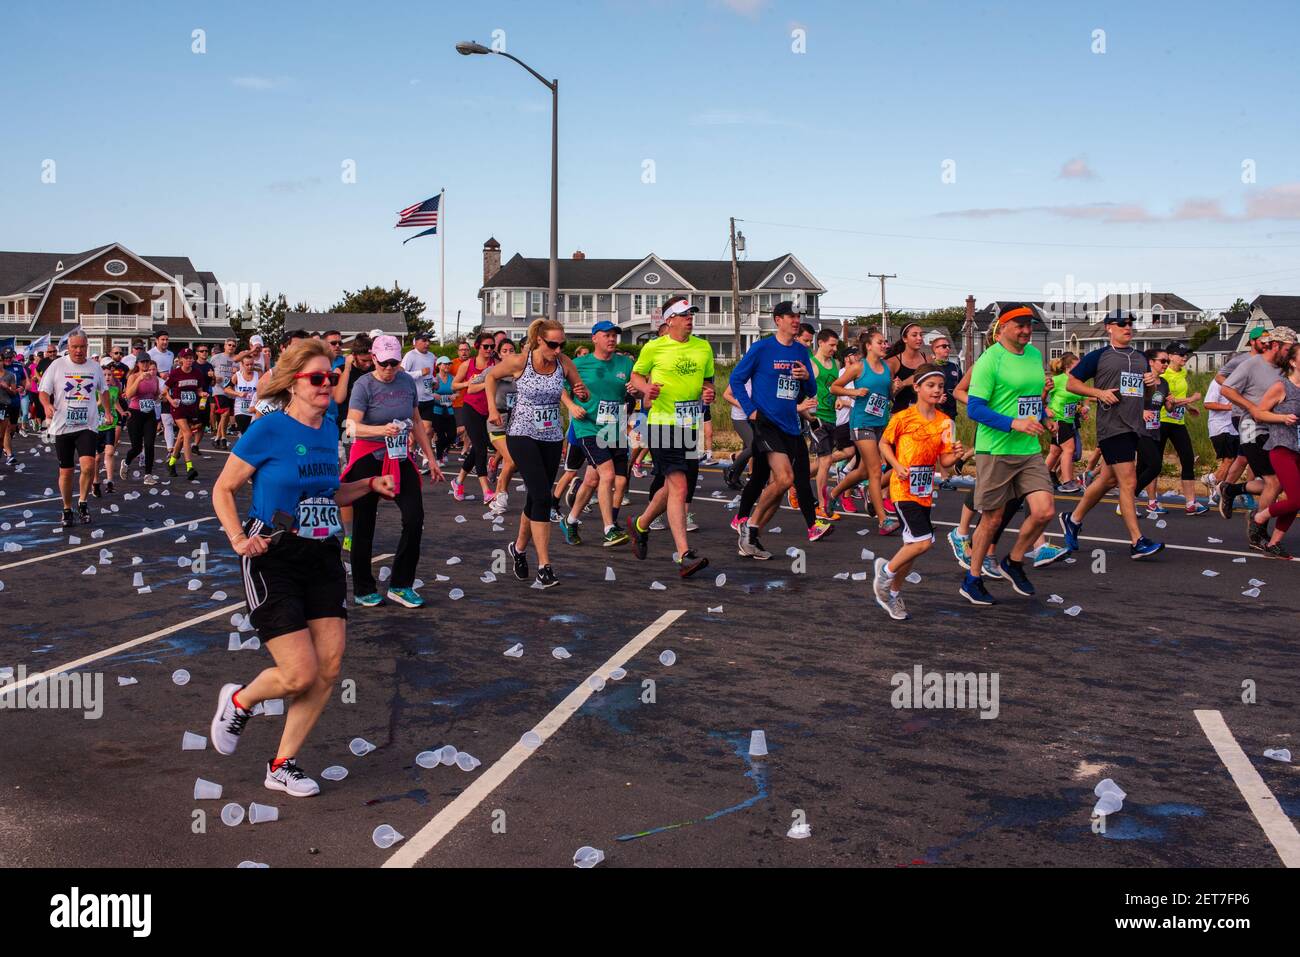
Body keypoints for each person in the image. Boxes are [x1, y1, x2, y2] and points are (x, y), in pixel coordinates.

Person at [209, 338, 396, 798]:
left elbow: (328, 495)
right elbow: (223, 489)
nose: (326, 385)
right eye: (317, 379)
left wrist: (369, 483)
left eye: (330, 378)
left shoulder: (329, 424)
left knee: (329, 668)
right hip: (273, 555)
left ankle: (282, 763)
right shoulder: (268, 429)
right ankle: (240, 699)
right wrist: (237, 538)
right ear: (293, 384)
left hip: (323, 554)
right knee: (298, 674)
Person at [958, 304, 1058, 606]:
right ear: (1002, 328)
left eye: (1029, 325)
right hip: (996, 449)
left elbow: (1027, 397)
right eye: (1019, 325)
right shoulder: (990, 360)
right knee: (992, 518)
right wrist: (1014, 423)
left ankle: (1014, 561)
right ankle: (972, 579)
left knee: (1044, 511)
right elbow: (974, 407)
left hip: (1028, 449)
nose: (1026, 330)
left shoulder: (1034, 356)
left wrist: (1043, 413)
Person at [485, 318, 589, 588]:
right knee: (543, 495)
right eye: (553, 344)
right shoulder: (521, 362)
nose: (558, 349)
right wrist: (493, 410)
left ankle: (518, 549)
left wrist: (582, 393)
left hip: (552, 435)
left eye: (562, 344)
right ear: (539, 341)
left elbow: (581, 392)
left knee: (535, 497)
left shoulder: (564, 363)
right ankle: (545, 565)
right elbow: (491, 377)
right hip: (521, 434)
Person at [343, 335, 444, 608]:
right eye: (383, 362)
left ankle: (401, 585)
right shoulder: (364, 384)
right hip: (367, 455)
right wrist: (380, 430)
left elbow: (416, 421)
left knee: (414, 518)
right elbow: (351, 426)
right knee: (365, 523)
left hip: (398, 455)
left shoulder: (406, 382)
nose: (388, 368)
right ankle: (363, 588)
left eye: (394, 363)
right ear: (373, 359)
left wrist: (431, 458)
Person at [729, 301, 834, 558]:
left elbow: (810, 391)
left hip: (791, 424)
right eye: (790, 315)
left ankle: (751, 535)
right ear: (778, 320)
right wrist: (750, 409)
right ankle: (748, 526)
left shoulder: (800, 351)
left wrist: (806, 379)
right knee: (785, 479)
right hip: (767, 422)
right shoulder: (762, 347)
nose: (795, 319)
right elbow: (736, 379)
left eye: (798, 316)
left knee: (779, 484)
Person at [1058, 310, 1165, 562]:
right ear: (1109, 328)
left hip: (1135, 427)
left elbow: (1145, 397)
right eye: (1121, 324)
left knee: (1107, 480)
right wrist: (1099, 393)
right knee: (1127, 481)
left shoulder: (1140, 358)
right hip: (1112, 427)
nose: (1127, 327)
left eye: (1130, 324)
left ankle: (1072, 519)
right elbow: (1071, 384)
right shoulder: (1099, 356)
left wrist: (1151, 384)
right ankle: (1137, 541)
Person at [624, 298, 715, 575]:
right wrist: (647, 388)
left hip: (689, 424)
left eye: (691, 314)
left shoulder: (703, 347)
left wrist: (708, 392)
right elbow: (636, 376)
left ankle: (640, 525)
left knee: (671, 487)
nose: (689, 318)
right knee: (679, 488)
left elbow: (708, 382)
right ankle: (683, 555)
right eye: (683, 314)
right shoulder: (654, 347)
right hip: (662, 424)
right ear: (669, 320)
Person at [872, 365, 964, 620]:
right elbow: (883, 443)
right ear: (917, 388)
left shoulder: (946, 422)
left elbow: (943, 462)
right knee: (924, 541)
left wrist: (956, 455)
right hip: (902, 489)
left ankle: (892, 593)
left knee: (911, 545)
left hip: (923, 489)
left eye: (940, 386)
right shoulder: (902, 418)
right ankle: (885, 575)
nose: (936, 390)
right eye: (930, 385)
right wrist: (897, 465)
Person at [559, 320, 635, 547]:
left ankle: (570, 520)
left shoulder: (625, 363)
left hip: (615, 427)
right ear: (594, 338)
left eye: (614, 335)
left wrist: (636, 390)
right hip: (589, 427)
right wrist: (571, 407)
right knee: (607, 475)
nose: (612, 339)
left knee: (595, 478)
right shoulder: (579, 363)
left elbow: (638, 390)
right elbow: (559, 387)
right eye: (607, 335)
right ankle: (609, 529)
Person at [1219, 326, 1294, 551]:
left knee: (1279, 483)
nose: (1290, 355)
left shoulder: (1283, 370)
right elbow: (1227, 389)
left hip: (1274, 430)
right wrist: (1252, 407)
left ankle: (1231, 489)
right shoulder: (1252, 364)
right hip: (1252, 428)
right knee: (1274, 482)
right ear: (1275, 345)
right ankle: (1257, 532)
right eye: (1288, 350)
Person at [38, 332, 113, 527]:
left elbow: (103, 390)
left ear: (87, 347)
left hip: (87, 425)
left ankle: (83, 502)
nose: (79, 351)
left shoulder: (94, 367)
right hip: (63, 426)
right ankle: (66, 507)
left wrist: (107, 411)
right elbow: (43, 391)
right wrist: (46, 405)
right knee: (66, 472)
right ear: (68, 348)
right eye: (75, 347)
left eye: (82, 347)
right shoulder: (57, 365)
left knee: (88, 466)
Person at [827, 329, 898, 534]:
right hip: (861, 423)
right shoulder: (859, 367)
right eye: (880, 342)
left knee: (864, 471)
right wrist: (853, 392)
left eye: (885, 342)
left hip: (880, 423)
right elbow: (834, 388)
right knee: (875, 470)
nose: (885, 345)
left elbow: (887, 395)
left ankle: (835, 493)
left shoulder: (887, 368)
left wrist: (895, 388)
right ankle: (883, 521)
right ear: (868, 346)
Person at [1245, 340, 1300, 558]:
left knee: (1295, 500)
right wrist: (1282, 417)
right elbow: (1259, 413)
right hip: (1282, 448)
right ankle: (1260, 517)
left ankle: (1273, 544)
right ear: (1294, 362)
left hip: (1299, 450)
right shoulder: (1281, 386)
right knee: (1297, 498)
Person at [1150, 343, 1207, 516]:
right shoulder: (1163, 374)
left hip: (1177, 421)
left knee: (1188, 458)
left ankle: (1190, 502)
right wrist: (1192, 399)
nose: (1184, 358)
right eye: (1181, 355)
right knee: (1155, 463)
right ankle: (1152, 501)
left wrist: (1189, 408)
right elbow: (1168, 400)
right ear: (1170, 356)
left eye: (1186, 355)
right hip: (1161, 420)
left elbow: (1177, 398)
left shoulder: (1182, 372)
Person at [451, 333, 497, 503]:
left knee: (479, 448)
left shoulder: (496, 364)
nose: (490, 349)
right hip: (471, 408)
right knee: (480, 448)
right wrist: (467, 384)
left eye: (492, 346)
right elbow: (454, 384)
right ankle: (486, 490)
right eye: (486, 346)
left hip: (489, 410)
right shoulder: (467, 364)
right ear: (478, 347)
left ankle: (458, 481)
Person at [1044, 353, 1084, 493]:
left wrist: (1084, 408)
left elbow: (1083, 397)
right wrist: (1045, 409)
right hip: (1059, 419)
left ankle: (1039, 479)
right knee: (1069, 449)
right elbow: (1041, 394)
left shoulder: (1077, 381)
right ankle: (1067, 482)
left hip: (1070, 420)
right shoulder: (1058, 380)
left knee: (1055, 452)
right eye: (1077, 365)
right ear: (1068, 367)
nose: (1081, 367)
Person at [163, 348, 202, 482]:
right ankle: (189, 467)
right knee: (187, 434)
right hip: (178, 408)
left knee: (180, 438)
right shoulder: (175, 373)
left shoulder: (197, 373)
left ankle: (171, 463)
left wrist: (202, 394)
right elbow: (165, 390)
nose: (189, 360)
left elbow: (199, 390)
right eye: (186, 358)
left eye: (191, 358)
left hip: (191, 408)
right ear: (181, 360)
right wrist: (170, 400)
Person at [122, 357, 162, 483]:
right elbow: (128, 395)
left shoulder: (154, 378)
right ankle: (126, 462)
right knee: (137, 448)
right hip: (135, 414)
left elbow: (155, 395)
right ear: (138, 364)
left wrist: (159, 398)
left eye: (147, 362)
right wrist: (139, 379)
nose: (145, 364)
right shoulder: (133, 377)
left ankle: (148, 475)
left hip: (149, 414)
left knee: (150, 444)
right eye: (142, 362)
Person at [886, 322, 927, 410]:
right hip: (901, 415)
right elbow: (887, 396)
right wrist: (900, 385)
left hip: (923, 415)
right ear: (905, 339)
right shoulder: (893, 362)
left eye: (921, 335)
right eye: (914, 335)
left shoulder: (928, 359)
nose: (919, 338)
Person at [427, 356, 458, 464]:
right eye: (445, 364)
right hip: (437, 410)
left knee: (452, 435)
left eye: (449, 364)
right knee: (440, 434)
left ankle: (443, 449)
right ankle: (439, 457)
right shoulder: (434, 379)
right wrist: (433, 394)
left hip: (449, 410)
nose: (448, 366)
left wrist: (455, 395)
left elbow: (457, 391)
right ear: (439, 365)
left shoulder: (452, 378)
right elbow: (427, 392)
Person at [209, 338, 238, 448]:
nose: (231, 347)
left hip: (230, 391)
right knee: (225, 413)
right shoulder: (216, 358)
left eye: (233, 345)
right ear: (225, 346)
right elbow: (209, 370)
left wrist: (237, 372)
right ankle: (223, 439)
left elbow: (242, 374)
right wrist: (215, 377)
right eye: (229, 345)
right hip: (219, 390)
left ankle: (217, 438)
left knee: (225, 416)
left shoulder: (237, 360)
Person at [0, 346, 26, 465]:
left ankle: (5, 447)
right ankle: (9, 454)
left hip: (14, 402)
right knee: (5, 429)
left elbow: (25, 383)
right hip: (3, 404)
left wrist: (22, 388)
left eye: (10, 357)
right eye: (5, 358)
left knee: (12, 428)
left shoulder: (18, 367)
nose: (7, 360)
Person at [225, 353, 261, 435]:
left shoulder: (258, 375)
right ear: (242, 364)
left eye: (251, 364)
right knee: (244, 431)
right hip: (240, 409)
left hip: (254, 408)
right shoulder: (237, 376)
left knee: (253, 432)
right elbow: (227, 389)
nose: (250, 367)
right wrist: (238, 393)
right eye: (247, 365)